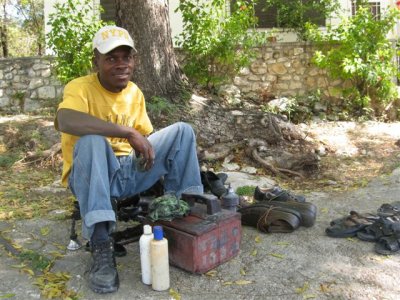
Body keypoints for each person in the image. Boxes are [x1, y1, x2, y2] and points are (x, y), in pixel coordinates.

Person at [55, 25, 203, 294]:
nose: (121, 64)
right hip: (92, 175)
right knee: (92, 142)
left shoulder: (134, 92)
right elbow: (65, 120)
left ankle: (182, 210)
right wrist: (126, 131)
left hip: (127, 172)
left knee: (182, 131)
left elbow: (146, 140)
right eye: (111, 58)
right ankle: (101, 245)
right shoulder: (79, 88)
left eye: (127, 57)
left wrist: (150, 152)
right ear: (96, 61)